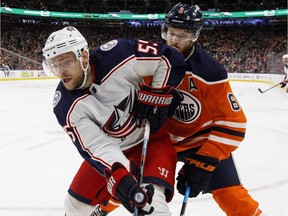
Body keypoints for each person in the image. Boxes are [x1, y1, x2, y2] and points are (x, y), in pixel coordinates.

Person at [42, 26, 187, 216]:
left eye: (65, 62)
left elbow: (168, 58)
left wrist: (157, 95)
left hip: (151, 141)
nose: (61, 71)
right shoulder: (65, 106)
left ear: (84, 56)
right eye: (55, 65)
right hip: (113, 150)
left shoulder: (119, 54)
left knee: (152, 206)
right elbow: (98, 146)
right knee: (74, 207)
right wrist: (120, 175)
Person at [160, 2, 264, 216]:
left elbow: (234, 123)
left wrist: (204, 160)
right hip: (160, 143)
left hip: (201, 142)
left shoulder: (210, 72)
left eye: (182, 35)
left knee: (234, 198)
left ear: (195, 36)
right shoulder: (147, 60)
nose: (174, 40)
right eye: (171, 33)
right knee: (131, 189)